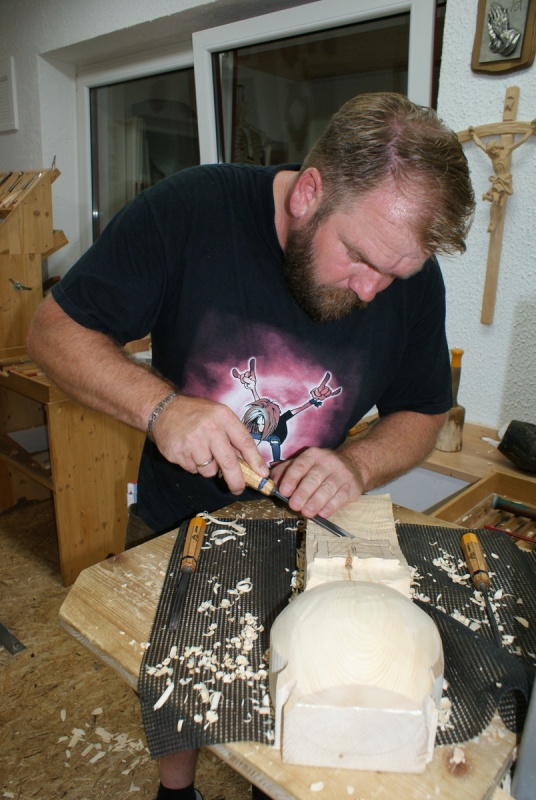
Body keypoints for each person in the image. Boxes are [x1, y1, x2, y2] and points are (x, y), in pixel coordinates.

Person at [27, 92, 474, 800]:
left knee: (299, 683)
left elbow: (423, 411)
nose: (371, 290)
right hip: (178, 522)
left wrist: (355, 463)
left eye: (396, 274)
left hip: (307, 535)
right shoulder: (191, 209)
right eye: (359, 258)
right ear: (309, 192)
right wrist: (162, 408)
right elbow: (52, 332)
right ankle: (177, 789)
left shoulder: (401, 275)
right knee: (179, 678)